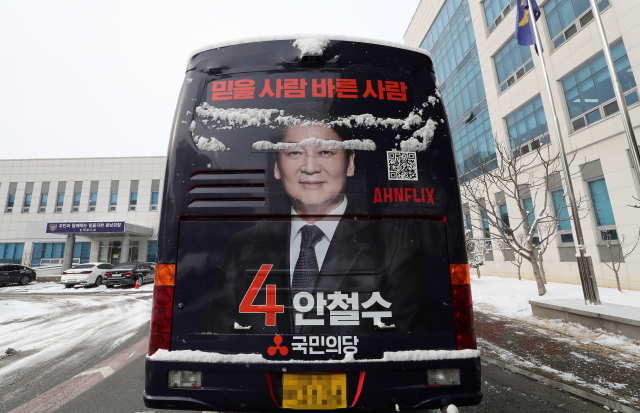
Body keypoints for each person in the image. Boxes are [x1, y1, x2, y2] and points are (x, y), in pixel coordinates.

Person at [202, 103, 429, 334]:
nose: (310, 168)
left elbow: (409, 343)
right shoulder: (243, 245)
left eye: (326, 152)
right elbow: (219, 336)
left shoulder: (394, 245)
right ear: (277, 168)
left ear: (350, 163)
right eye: (294, 153)